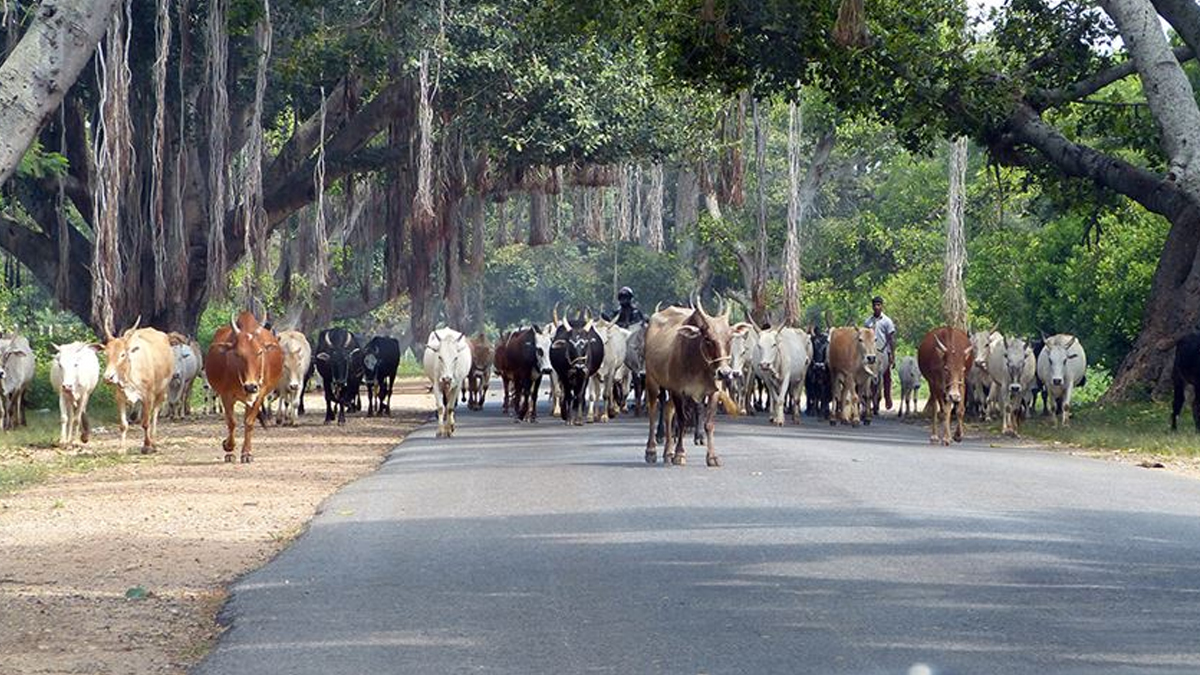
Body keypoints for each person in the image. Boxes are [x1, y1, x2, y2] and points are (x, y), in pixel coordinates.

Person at [864, 295, 897, 410]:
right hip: (871, 352)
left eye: (879, 305)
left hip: (883, 351)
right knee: (871, 376)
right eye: (875, 305)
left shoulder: (887, 321)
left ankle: (887, 398)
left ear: (882, 306)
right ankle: (873, 401)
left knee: (886, 376)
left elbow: (891, 338)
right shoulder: (868, 321)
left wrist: (892, 354)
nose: (877, 307)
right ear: (872, 307)